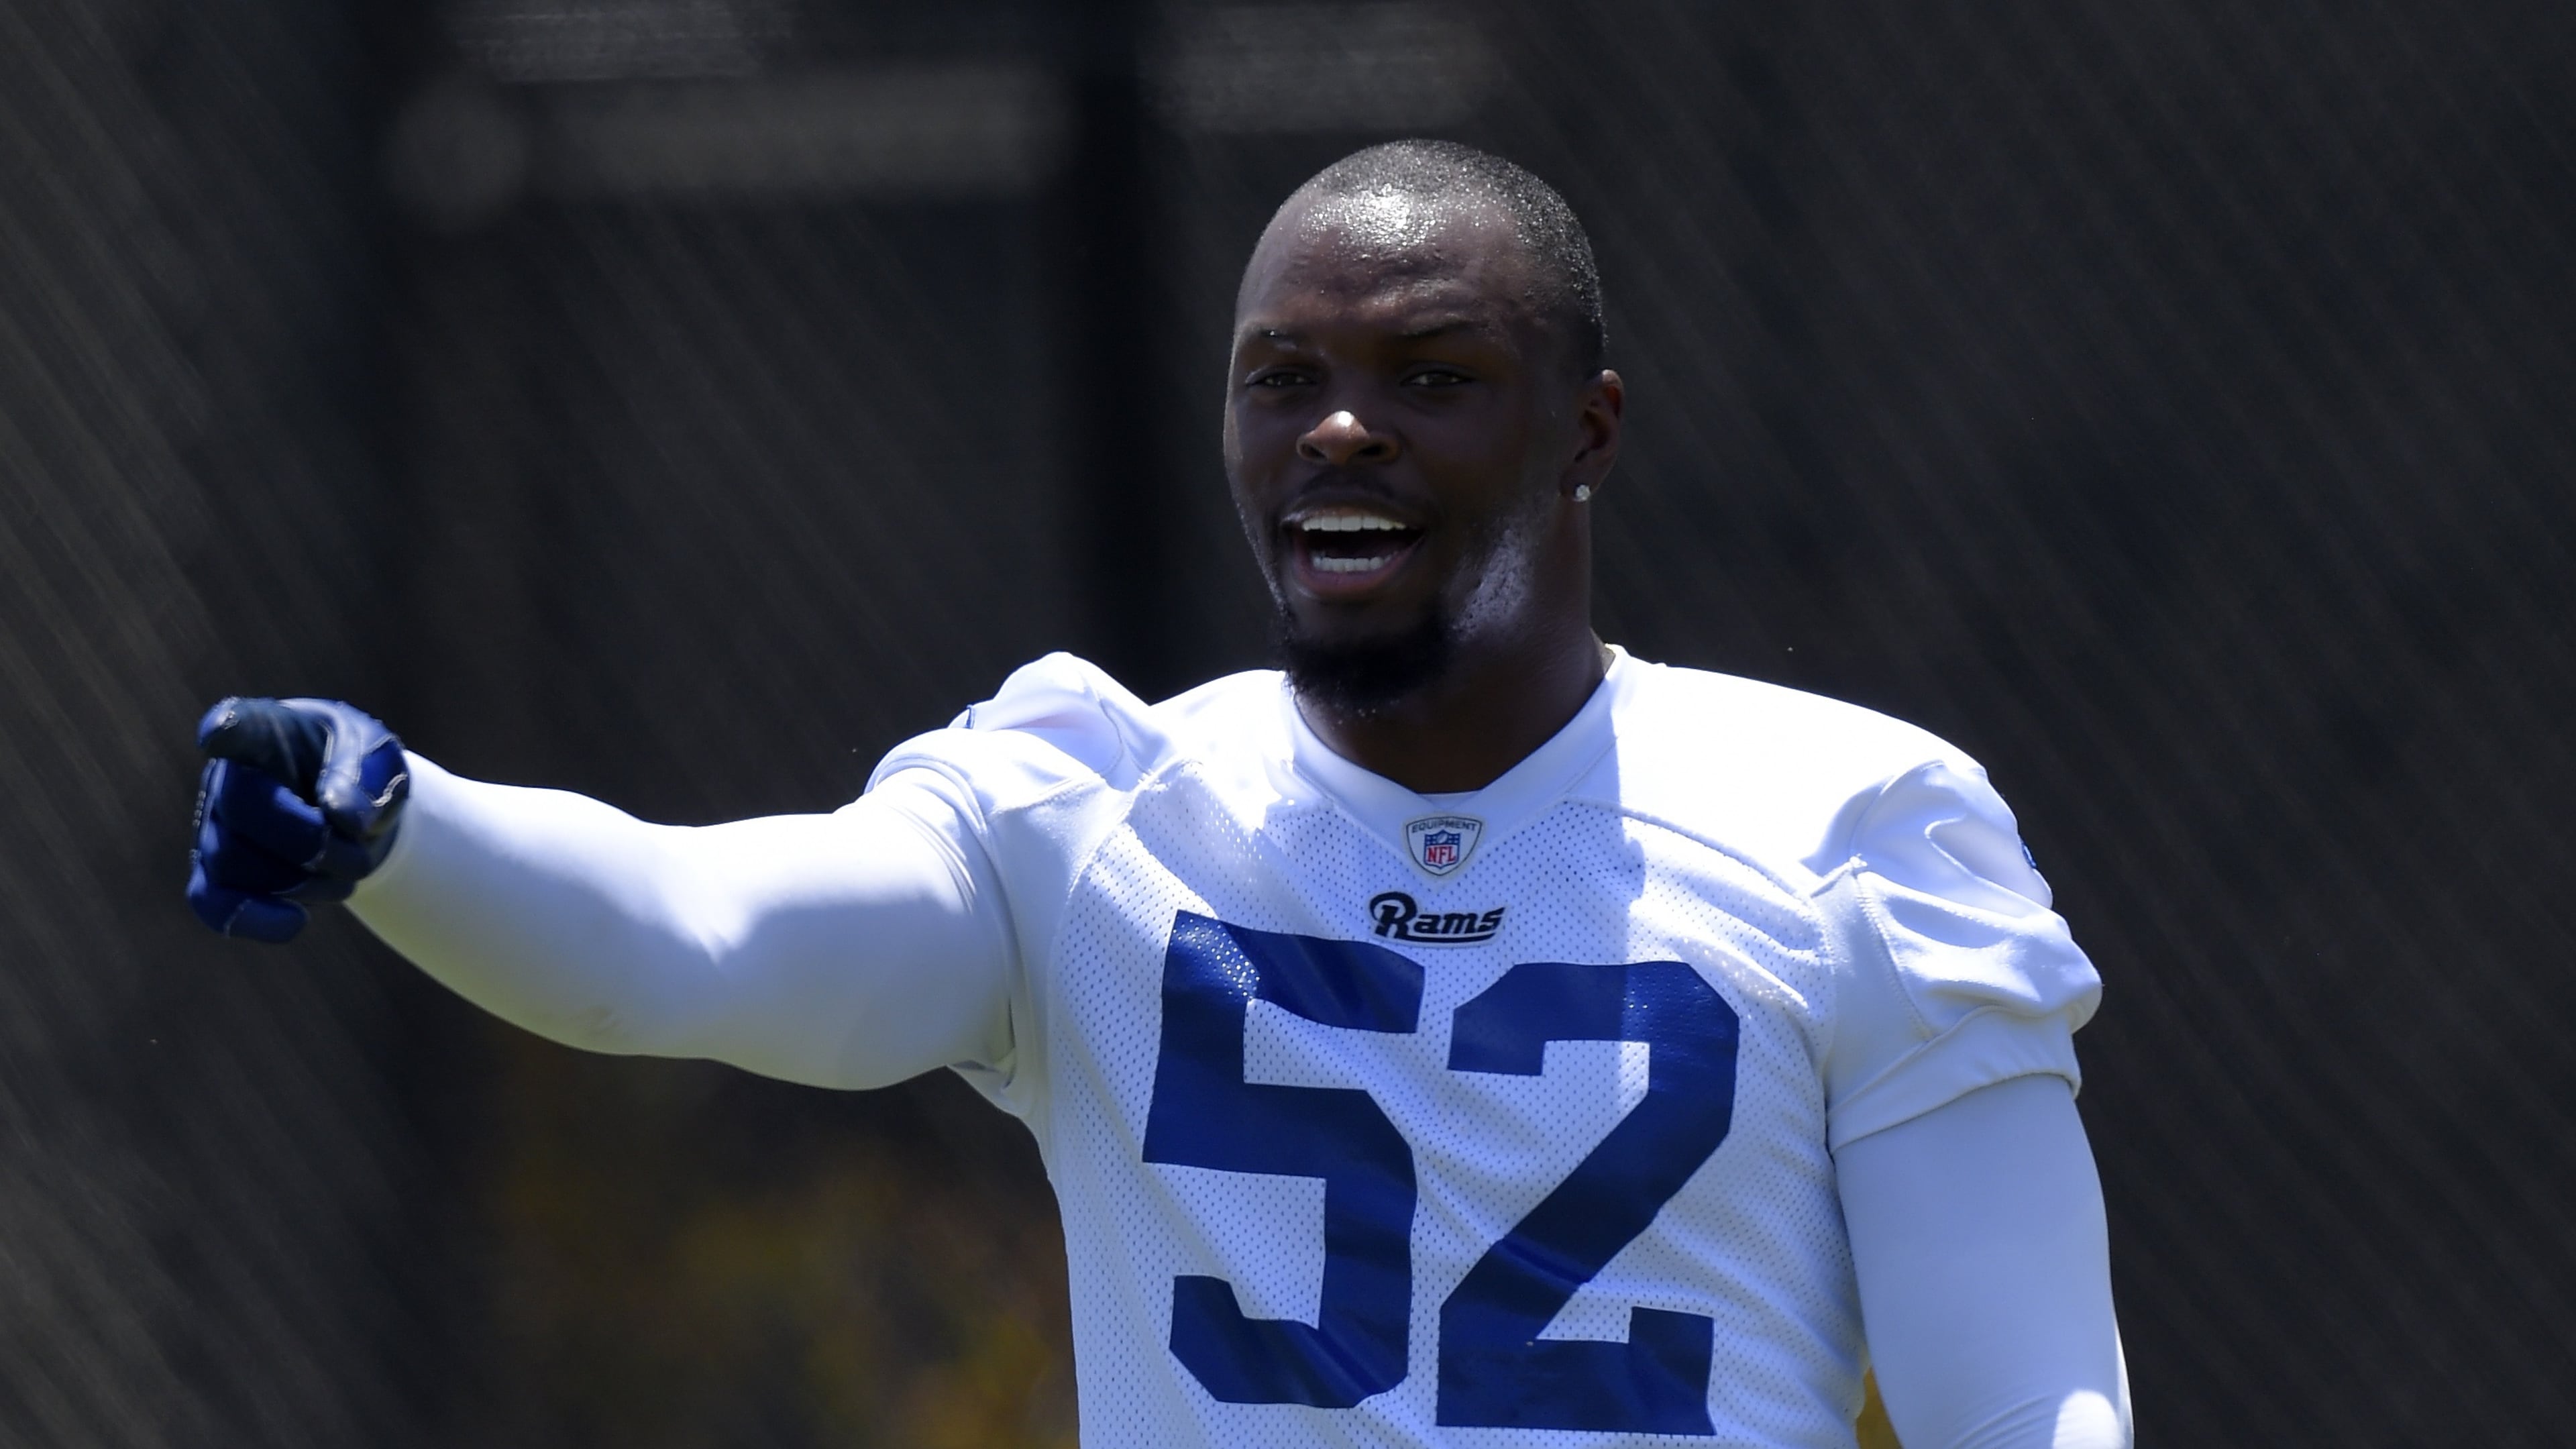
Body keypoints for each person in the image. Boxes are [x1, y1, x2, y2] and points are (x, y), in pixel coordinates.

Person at [184, 141, 2130, 1448]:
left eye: (1431, 373)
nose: (1339, 425)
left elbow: (2033, 1407)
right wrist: (402, 824)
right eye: (1281, 377)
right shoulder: (1090, 815)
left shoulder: (1852, 823)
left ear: (1585, 428)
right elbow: (681, 944)